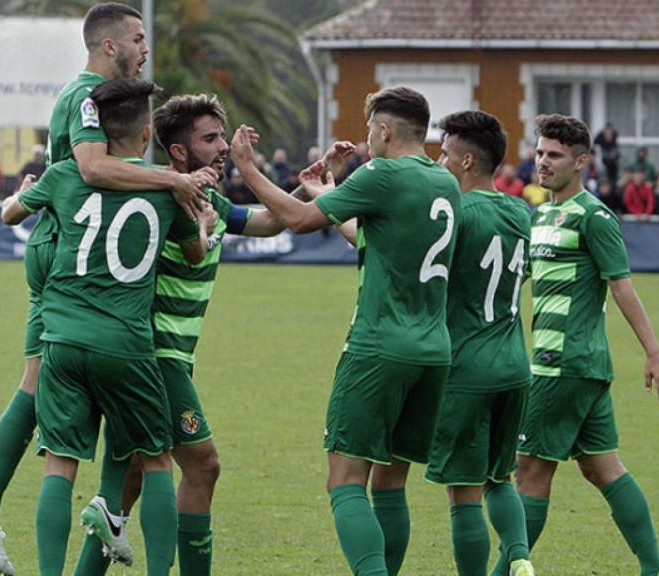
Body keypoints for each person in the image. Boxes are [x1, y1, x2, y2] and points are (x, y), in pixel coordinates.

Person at [0, 4, 210, 573]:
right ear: (110, 45)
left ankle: (20, 511)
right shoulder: (89, 96)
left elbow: (35, 195)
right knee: (63, 375)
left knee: (57, 379)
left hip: (68, 239)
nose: (146, 46)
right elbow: (93, 167)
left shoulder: (92, 97)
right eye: (138, 38)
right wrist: (173, 178)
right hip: (69, 253)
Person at [72, 93, 356, 576]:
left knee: (131, 478)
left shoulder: (209, 200)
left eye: (222, 136)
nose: (223, 146)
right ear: (178, 153)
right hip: (155, 356)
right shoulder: (168, 199)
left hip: (168, 357)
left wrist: (309, 184)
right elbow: (192, 253)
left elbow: (268, 224)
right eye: (210, 139)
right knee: (202, 466)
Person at [230, 85, 460, 576]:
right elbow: (368, 233)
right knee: (391, 483)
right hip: (433, 351)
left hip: (379, 346)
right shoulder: (444, 182)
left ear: (384, 130)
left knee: (345, 480)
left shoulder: (382, 172)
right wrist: (327, 190)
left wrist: (248, 170)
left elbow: (297, 220)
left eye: (369, 127)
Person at [1, 78, 207, 576]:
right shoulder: (166, 187)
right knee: (156, 460)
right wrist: (199, 221)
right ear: (143, 136)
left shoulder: (67, 173)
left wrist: (23, 192)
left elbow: (10, 214)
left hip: (63, 340)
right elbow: (196, 252)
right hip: (126, 343)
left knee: (61, 465)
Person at [494, 113, 659, 576]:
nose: (543, 162)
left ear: (581, 162)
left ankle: (503, 571)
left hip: (563, 364)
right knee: (602, 467)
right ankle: (655, 569)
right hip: (579, 366)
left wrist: (653, 353)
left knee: (530, 472)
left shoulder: (594, 216)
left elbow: (622, 287)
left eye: (554, 155)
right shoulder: (543, 214)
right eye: (539, 153)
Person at [425, 110, 535, 576]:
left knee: (463, 491)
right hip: (514, 363)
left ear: (468, 161)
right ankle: (521, 557)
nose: (439, 161)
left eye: (446, 153)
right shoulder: (519, 211)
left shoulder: (455, 215)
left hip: (467, 366)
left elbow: (416, 265)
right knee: (500, 477)